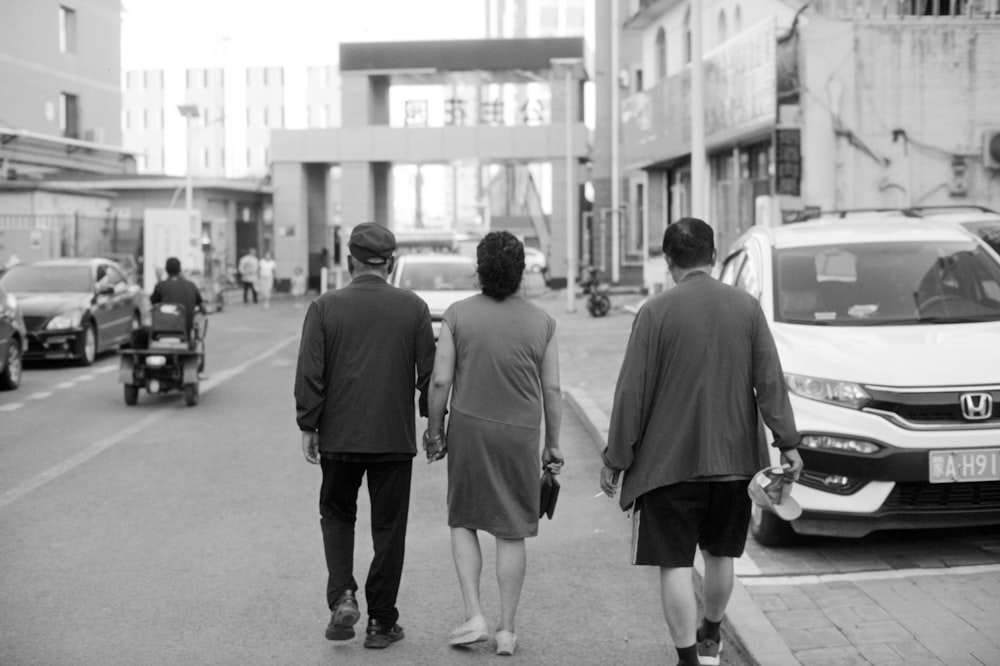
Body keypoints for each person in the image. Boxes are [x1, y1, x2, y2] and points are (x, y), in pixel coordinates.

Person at [598, 218, 803, 666]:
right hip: (733, 462)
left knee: (673, 563)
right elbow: (769, 380)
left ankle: (688, 659)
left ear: (669, 261)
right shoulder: (746, 308)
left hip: (667, 466)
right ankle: (711, 634)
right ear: (713, 255)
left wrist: (617, 457)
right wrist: (787, 442)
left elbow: (631, 392)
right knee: (720, 554)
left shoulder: (655, 312)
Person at [294, 222, 435, 651]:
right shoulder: (412, 307)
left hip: (339, 435)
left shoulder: (324, 307)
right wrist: (434, 423)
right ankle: (381, 622)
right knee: (389, 528)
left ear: (349, 260)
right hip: (393, 438)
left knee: (337, 515)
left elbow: (310, 373)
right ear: (390, 263)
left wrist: (308, 423)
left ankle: (343, 595)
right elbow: (429, 376)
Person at [424, 230, 563, 657]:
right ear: (521, 271)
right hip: (521, 434)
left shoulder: (459, 315)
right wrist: (552, 445)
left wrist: (435, 430)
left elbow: (441, 379)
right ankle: (506, 629)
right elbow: (553, 390)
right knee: (512, 529)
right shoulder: (543, 322)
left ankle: (473, 614)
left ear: (479, 269)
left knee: (463, 519)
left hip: (470, 429)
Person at [150, 257, 206, 373]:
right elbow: (201, 306)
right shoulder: (191, 285)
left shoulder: (161, 286)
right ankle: (199, 372)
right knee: (198, 340)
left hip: (161, 331)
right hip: (184, 330)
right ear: (180, 269)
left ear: (166, 270)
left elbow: (153, 303)